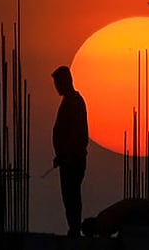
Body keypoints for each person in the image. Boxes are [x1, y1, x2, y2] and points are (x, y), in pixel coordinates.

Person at [52, 65, 89, 237]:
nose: (57, 87)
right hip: (68, 158)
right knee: (69, 195)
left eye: (58, 83)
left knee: (71, 194)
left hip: (73, 159)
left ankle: (75, 228)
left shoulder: (74, 102)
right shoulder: (69, 101)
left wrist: (67, 155)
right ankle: (73, 227)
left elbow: (78, 133)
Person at [80, 198, 149, 237]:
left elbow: (105, 242)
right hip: (147, 208)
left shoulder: (102, 223)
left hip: (143, 212)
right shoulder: (103, 216)